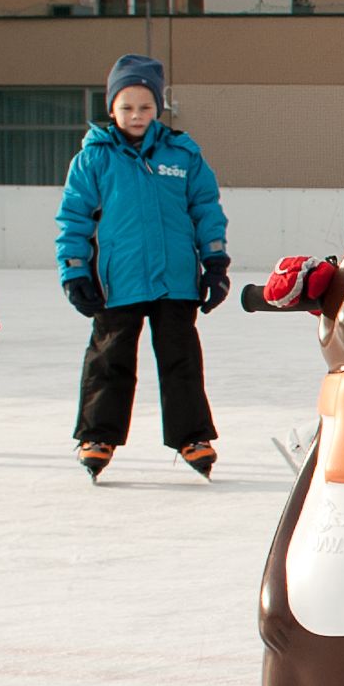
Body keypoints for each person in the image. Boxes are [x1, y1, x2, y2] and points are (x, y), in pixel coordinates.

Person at [57, 54, 228, 480]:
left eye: (146, 107)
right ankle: (97, 435)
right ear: (111, 107)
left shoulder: (182, 154)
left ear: (158, 107)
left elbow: (205, 208)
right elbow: (74, 218)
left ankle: (192, 436)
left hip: (175, 280)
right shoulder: (94, 158)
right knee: (109, 359)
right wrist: (76, 270)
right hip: (117, 282)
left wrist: (215, 261)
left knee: (181, 360)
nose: (136, 115)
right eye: (127, 106)